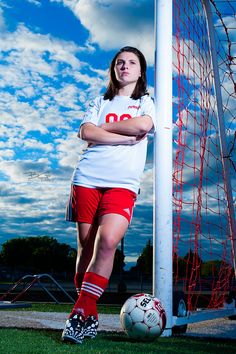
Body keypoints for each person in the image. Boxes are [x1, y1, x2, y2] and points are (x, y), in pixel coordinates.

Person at [61, 46, 155, 344]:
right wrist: (124, 140)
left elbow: (143, 125)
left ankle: (78, 315)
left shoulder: (146, 103)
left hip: (122, 183)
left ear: (140, 71)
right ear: (113, 69)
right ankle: (89, 314)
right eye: (120, 62)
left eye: (132, 63)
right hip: (87, 178)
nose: (125, 66)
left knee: (109, 242)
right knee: (86, 249)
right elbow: (85, 133)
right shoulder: (98, 101)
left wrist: (104, 129)